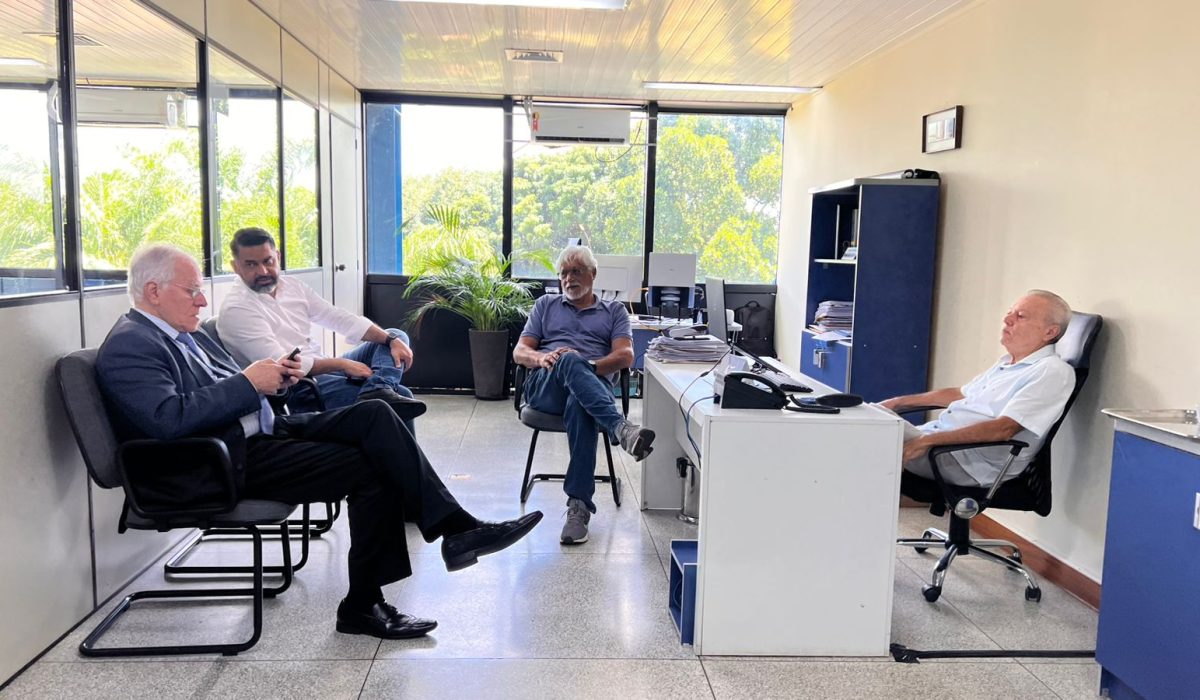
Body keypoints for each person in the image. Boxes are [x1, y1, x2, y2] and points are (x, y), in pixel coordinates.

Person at [96, 244, 542, 640]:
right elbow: (168, 421)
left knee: (375, 414)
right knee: (374, 464)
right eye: (192, 290)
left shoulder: (183, 333)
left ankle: (455, 531)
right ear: (153, 292)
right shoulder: (132, 345)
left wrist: (276, 382)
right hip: (215, 463)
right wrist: (249, 384)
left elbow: (226, 390)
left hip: (257, 433)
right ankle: (383, 589)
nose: (201, 299)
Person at [512, 245, 656, 545]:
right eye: (563, 273)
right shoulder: (545, 305)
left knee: (581, 402)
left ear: (593, 274)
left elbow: (626, 355)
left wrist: (587, 367)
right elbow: (520, 351)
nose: (569, 278)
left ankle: (578, 508)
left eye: (576, 271)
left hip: (591, 389)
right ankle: (621, 429)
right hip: (546, 386)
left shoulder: (614, 311)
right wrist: (542, 358)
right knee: (567, 359)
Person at [217, 227, 425, 421]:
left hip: (322, 369)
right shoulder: (237, 309)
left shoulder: (291, 286)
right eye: (251, 264)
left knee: (394, 336)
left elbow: (335, 316)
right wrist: (343, 364)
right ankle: (379, 391)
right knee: (400, 396)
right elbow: (285, 367)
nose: (263, 271)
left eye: (268, 261)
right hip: (295, 389)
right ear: (236, 266)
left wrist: (390, 340)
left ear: (277, 257)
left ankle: (378, 387)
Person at [878, 290, 1075, 487]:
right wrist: (897, 402)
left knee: (868, 428)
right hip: (937, 442)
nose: (1007, 319)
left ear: (1050, 332)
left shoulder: (1052, 372)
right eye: (1010, 312)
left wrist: (926, 441)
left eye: (1020, 316)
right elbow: (961, 394)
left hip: (963, 460)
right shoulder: (1007, 363)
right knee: (869, 417)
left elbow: (1004, 429)